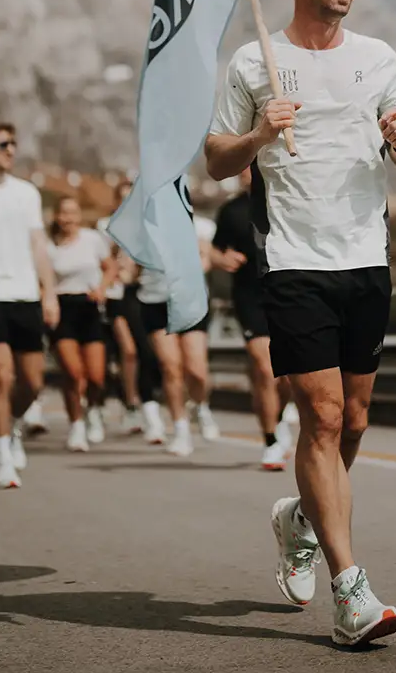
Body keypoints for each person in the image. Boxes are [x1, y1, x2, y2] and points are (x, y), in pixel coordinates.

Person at [205, 0, 396, 647]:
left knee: (353, 422)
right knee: (322, 419)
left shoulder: (379, 58)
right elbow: (213, 159)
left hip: (366, 257)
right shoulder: (252, 62)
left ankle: (299, 517)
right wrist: (259, 136)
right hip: (293, 261)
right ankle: (351, 593)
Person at [0, 121, 60, 488]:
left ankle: (9, 426)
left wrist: (49, 292)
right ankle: (2, 456)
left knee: (31, 382)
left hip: (26, 296)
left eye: (14, 144)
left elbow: (38, 246)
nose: (11, 150)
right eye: (3, 144)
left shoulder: (26, 193)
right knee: (1, 375)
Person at [210, 170, 291, 471]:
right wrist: (222, 260)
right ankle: (270, 442)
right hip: (249, 297)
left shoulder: (287, 200)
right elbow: (215, 251)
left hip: (290, 293)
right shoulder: (231, 210)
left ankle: (279, 416)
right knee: (264, 367)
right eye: (244, 165)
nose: (248, 171)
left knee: (289, 377)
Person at [137, 216, 220, 458]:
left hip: (190, 302)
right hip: (155, 303)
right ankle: (181, 430)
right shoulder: (140, 227)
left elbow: (206, 259)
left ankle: (201, 406)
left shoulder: (200, 226)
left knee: (197, 371)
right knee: (171, 367)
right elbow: (127, 265)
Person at [48, 195, 117, 451]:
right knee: (73, 372)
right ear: (57, 216)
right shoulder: (49, 246)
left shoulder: (92, 239)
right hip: (62, 307)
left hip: (89, 306)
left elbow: (110, 268)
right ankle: (76, 425)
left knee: (97, 376)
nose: (68, 218)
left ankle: (94, 410)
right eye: (64, 213)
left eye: (73, 213)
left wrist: (102, 288)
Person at [98, 179, 161, 439]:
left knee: (145, 351)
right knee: (129, 350)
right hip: (114, 295)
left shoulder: (147, 226)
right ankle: (130, 402)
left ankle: (137, 400)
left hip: (138, 293)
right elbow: (101, 261)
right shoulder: (105, 227)